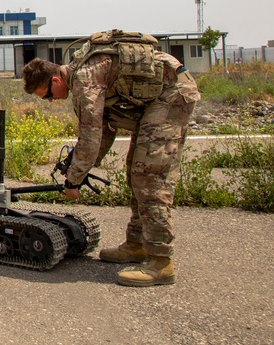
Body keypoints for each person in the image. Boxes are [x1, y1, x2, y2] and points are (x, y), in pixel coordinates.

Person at [22, 30, 200, 287]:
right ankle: (136, 245)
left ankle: (161, 262)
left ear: (55, 80)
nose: (50, 101)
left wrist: (73, 182)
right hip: (157, 99)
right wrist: (78, 167)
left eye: (47, 95)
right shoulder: (83, 74)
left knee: (148, 176)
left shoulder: (84, 80)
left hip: (172, 94)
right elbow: (104, 131)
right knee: (134, 170)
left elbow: (91, 137)